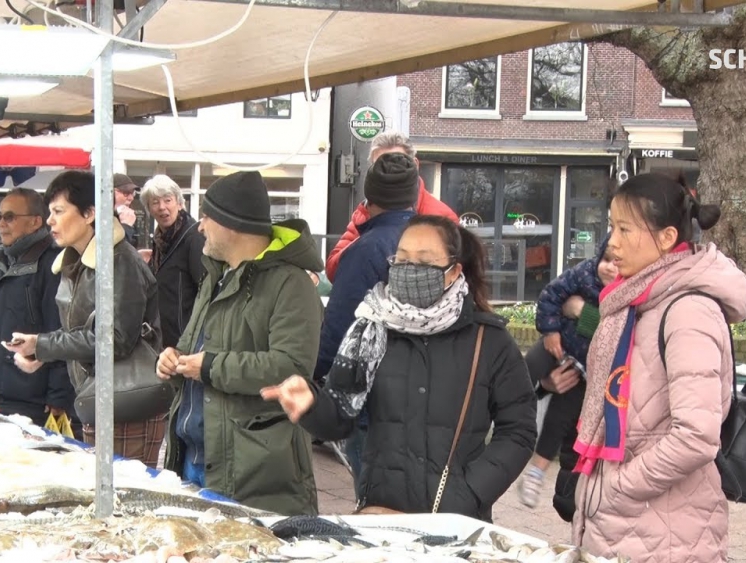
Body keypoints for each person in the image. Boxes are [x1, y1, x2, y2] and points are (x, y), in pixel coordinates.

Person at [263, 215, 537, 521]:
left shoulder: (489, 341)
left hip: (456, 522)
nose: (410, 269)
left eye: (424, 260)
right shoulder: (369, 329)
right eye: (402, 258)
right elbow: (340, 418)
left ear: (453, 271)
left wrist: (469, 493)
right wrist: (312, 404)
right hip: (380, 512)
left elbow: (518, 430)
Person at [571, 172, 746, 563]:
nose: (612, 243)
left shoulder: (688, 311)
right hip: (630, 526)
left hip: (666, 532)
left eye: (625, 229)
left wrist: (618, 487)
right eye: (611, 227)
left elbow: (696, 436)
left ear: (667, 238)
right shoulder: (636, 300)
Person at [157, 171, 323, 516]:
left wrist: (210, 366)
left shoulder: (291, 284)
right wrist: (172, 361)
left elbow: (291, 367)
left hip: (253, 471)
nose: (199, 226)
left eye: (206, 217)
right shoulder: (216, 275)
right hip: (194, 459)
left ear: (231, 223)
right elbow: (192, 349)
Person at [5, 170, 166, 466]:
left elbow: (115, 339)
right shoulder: (76, 260)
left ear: (90, 213)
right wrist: (43, 352)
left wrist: (43, 345)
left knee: (122, 497)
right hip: (99, 398)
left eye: (58, 211)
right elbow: (83, 331)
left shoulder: (119, 261)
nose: (50, 220)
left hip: (128, 400)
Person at [314, 152, 419, 501]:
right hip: (427, 396)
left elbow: (341, 324)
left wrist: (319, 375)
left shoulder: (366, 249)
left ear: (369, 200)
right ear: (414, 196)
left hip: (374, 396)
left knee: (375, 499)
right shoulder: (437, 242)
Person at [518, 235, 617, 520]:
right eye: (606, 260)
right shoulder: (584, 274)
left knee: (559, 419)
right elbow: (551, 295)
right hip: (557, 344)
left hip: (584, 371)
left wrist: (582, 312)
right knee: (525, 371)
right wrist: (550, 332)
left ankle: (537, 470)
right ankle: (503, 425)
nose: (610, 268)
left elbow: (620, 330)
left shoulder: (628, 291)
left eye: (616, 263)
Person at [0, 188, 77, 434]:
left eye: (9, 217)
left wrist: (58, 396)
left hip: (36, 400)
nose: (1, 224)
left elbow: (61, 331)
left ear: (35, 222)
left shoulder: (52, 265)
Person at [325, 131, 458, 281]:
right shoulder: (364, 213)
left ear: (415, 164)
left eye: (397, 163)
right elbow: (333, 270)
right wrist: (367, 241)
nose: (389, 173)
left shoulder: (440, 217)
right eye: (380, 166)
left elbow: (452, 277)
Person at [141, 174, 206, 349]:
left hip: (186, 340)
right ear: (149, 208)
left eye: (167, 200)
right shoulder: (161, 240)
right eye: (155, 202)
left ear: (179, 202)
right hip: (163, 337)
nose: (162, 207)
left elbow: (205, 290)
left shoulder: (193, 237)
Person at [115, 173, 142, 248]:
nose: (131, 198)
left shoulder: (127, 218)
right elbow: (116, 250)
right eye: (126, 193)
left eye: (132, 193)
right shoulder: (100, 220)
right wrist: (126, 226)